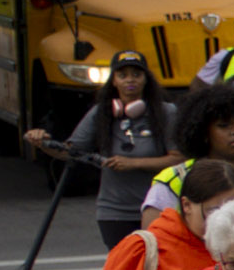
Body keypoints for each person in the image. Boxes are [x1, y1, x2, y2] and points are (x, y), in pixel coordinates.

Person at [30, 53, 173, 248]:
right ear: (113, 81)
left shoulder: (167, 112)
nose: (130, 79)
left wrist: (134, 163)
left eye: (136, 74)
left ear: (146, 79)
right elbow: (71, 152)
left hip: (157, 209)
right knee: (124, 269)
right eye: (122, 75)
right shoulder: (101, 113)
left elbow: (180, 158)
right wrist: (43, 143)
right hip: (114, 212)